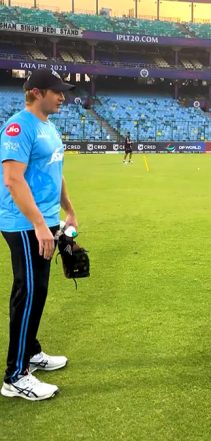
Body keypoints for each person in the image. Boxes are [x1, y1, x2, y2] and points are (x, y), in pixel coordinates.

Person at [0, 69, 78, 401]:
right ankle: (15, 377)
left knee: (38, 292)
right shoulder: (18, 126)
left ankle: (30, 352)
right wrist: (40, 225)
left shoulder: (49, 126)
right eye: (56, 91)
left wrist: (69, 211)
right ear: (36, 92)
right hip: (23, 223)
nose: (63, 96)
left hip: (44, 221)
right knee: (28, 293)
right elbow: (13, 180)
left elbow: (55, 173)